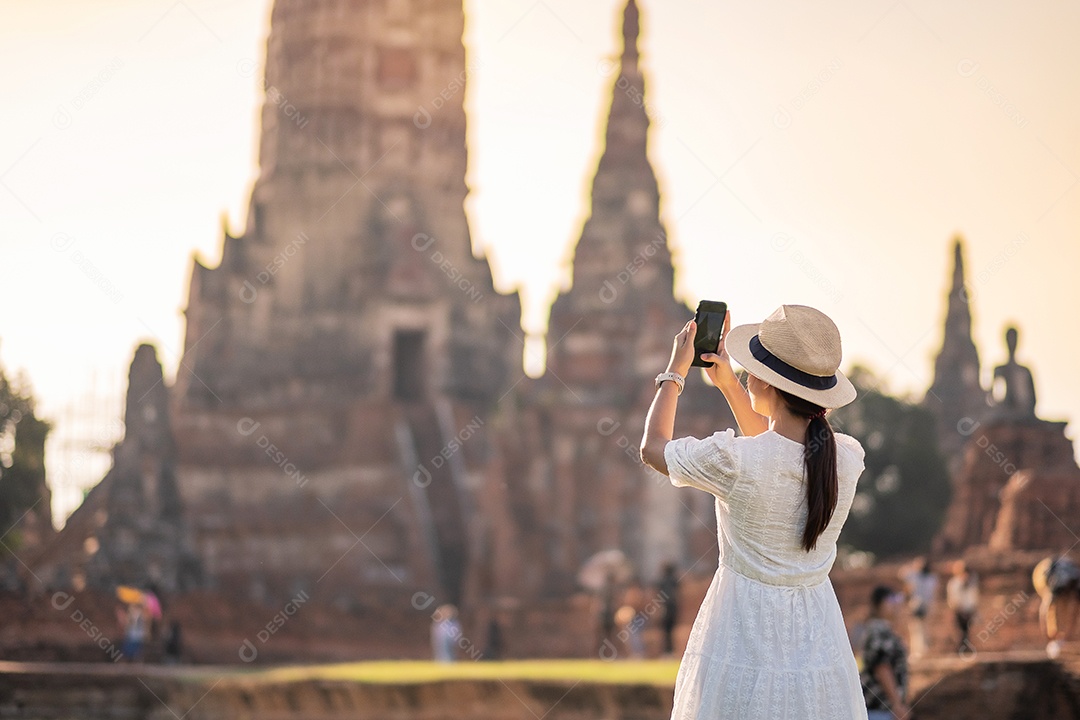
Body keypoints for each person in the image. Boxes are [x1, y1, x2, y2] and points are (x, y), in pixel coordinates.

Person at [641, 304, 867, 718]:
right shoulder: (847, 459)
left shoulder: (735, 461)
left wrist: (674, 371)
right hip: (819, 634)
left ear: (766, 382)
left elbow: (653, 449)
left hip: (741, 628)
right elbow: (777, 454)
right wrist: (729, 385)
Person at [861, 586, 911, 720]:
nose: (894, 604)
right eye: (889, 600)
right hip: (879, 709)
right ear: (878, 605)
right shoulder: (877, 632)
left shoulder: (886, 631)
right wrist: (897, 704)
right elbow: (882, 668)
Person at [1033, 555, 1080, 659]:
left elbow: (1075, 611)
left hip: (1059, 575)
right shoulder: (1057, 584)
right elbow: (1045, 610)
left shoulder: (1075, 584)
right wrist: (1049, 640)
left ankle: (1059, 637)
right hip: (1047, 575)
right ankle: (1056, 637)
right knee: (1054, 607)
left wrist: (1066, 638)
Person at [900, 558, 938, 658]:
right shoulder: (932, 578)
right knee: (923, 628)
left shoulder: (915, 576)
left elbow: (902, 573)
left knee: (917, 629)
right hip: (927, 605)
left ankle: (919, 651)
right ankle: (924, 650)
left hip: (917, 604)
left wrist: (912, 567)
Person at [945, 561, 979, 654]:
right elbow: (953, 599)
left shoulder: (971, 583)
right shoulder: (954, 584)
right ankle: (960, 648)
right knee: (960, 631)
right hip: (959, 611)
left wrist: (972, 610)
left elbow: (973, 597)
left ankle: (965, 648)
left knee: (966, 631)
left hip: (968, 611)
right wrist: (959, 609)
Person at [656, 562, 680, 657]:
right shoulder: (675, 581)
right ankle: (670, 650)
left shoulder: (662, 581)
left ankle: (667, 650)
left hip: (666, 607)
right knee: (670, 630)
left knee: (666, 630)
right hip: (673, 608)